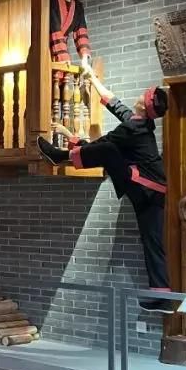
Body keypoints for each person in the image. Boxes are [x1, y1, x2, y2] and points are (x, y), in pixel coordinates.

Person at [36, 68, 172, 314]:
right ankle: (161, 295)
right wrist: (92, 77)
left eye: (143, 95)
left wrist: (69, 138)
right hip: (150, 191)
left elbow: (100, 146)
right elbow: (114, 103)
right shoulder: (140, 123)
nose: (139, 96)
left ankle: (58, 156)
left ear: (144, 105)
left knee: (108, 150)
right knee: (151, 241)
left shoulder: (132, 129)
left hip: (145, 189)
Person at [50, 0, 94, 72]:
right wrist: (63, 56)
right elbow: (54, 28)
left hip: (62, 49)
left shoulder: (78, 6)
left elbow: (81, 32)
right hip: (46, 49)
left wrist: (84, 57)